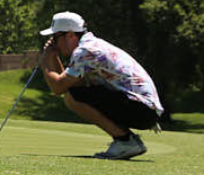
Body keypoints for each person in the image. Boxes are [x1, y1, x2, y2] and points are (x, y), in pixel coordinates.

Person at [39, 11, 164, 160]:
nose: (53, 42)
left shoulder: (85, 51)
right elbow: (71, 84)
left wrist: (46, 59)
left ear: (70, 35)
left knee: (72, 97)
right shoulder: (90, 46)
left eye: (55, 37)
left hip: (142, 109)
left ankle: (125, 141)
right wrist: (53, 56)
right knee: (75, 92)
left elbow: (58, 88)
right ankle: (127, 140)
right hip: (144, 108)